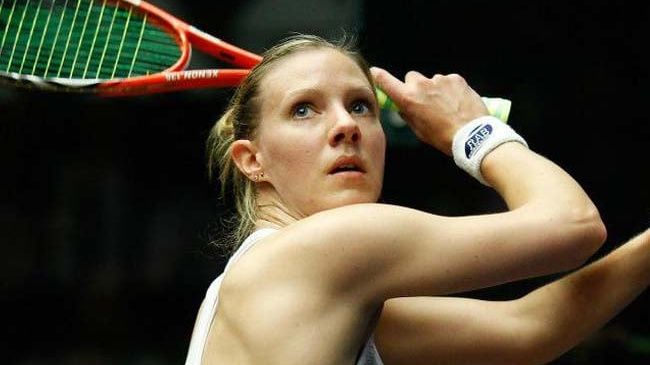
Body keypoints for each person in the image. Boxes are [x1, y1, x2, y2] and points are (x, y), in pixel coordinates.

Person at [183, 34, 648, 365]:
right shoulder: (328, 247)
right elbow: (573, 225)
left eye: (360, 105)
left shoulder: (307, 288)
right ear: (251, 160)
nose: (346, 125)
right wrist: (471, 130)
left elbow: (532, 329)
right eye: (303, 109)